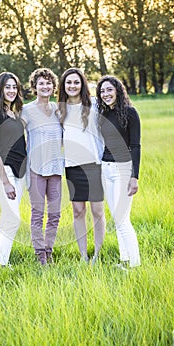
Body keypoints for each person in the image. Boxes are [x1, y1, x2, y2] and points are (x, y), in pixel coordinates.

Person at [57, 67, 105, 264]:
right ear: (63, 85)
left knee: (97, 211)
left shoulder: (94, 105)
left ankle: (97, 255)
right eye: (68, 82)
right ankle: (83, 255)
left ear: (82, 84)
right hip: (72, 166)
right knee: (78, 211)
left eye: (76, 82)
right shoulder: (59, 109)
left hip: (94, 164)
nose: (72, 86)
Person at [96, 75, 141, 269]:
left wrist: (134, 176)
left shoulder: (130, 113)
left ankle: (135, 264)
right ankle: (124, 261)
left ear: (118, 91)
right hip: (106, 169)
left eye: (109, 90)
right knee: (117, 218)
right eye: (102, 91)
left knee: (122, 219)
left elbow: (136, 146)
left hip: (123, 170)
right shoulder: (103, 114)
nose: (106, 94)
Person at [21, 68, 64, 265]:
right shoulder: (26, 110)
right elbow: (12, 134)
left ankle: (49, 251)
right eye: (41, 83)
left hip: (55, 169)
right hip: (35, 169)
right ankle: (41, 257)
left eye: (48, 83)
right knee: (37, 214)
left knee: (54, 214)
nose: (45, 86)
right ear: (34, 87)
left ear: (53, 87)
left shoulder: (59, 109)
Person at [0, 72, 27, 267]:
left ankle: (2, 260)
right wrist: (5, 181)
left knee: (8, 218)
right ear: (0, 89)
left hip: (20, 172)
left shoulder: (15, 112)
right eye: (7, 87)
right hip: (6, 172)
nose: (11, 90)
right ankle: (2, 263)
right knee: (12, 218)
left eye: (14, 87)